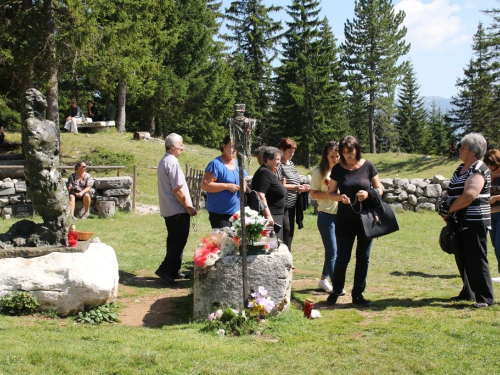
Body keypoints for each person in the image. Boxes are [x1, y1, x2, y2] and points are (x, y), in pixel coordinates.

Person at [438, 133, 494, 308]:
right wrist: (445, 207)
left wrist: (448, 209)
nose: (459, 149)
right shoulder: (461, 168)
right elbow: (451, 190)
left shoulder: (479, 168)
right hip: (459, 221)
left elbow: (470, 195)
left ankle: (485, 298)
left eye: (463, 147)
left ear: (474, 151)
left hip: (474, 220)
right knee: (462, 256)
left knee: (476, 258)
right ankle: (468, 292)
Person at [326, 135, 384, 306]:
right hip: (344, 220)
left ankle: (358, 294)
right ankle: (336, 291)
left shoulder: (368, 166)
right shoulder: (338, 169)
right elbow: (330, 193)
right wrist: (340, 198)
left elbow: (380, 188)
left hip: (366, 219)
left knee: (363, 257)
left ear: (357, 149)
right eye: (343, 152)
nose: (346, 155)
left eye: (349, 152)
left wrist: (368, 194)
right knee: (343, 257)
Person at [156, 133, 198, 285]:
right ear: (172, 146)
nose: (182, 147)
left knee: (173, 240)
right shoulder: (172, 163)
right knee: (178, 241)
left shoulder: (163, 161)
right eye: (181, 144)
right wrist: (189, 207)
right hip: (177, 209)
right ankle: (165, 270)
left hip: (169, 209)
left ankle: (174, 270)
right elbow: (177, 190)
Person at [310, 141, 344, 295]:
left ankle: (324, 279)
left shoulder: (343, 170)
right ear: (326, 156)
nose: (335, 159)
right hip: (326, 216)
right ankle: (337, 284)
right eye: (332, 156)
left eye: (338, 156)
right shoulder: (319, 172)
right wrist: (330, 195)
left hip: (342, 216)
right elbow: (313, 193)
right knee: (332, 250)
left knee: (336, 251)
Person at [201, 135, 246, 229]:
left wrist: (242, 187)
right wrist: (227, 186)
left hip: (237, 213)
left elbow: (244, 183)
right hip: (219, 214)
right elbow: (205, 185)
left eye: (236, 147)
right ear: (224, 146)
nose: (234, 150)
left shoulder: (239, 164)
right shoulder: (216, 164)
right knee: (224, 242)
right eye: (232, 146)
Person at [277, 138, 310, 251]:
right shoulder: (278, 164)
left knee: (290, 232)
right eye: (289, 152)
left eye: (293, 152)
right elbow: (278, 184)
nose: (292, 154)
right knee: (285, 230)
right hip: (283, 205)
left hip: (293, 204)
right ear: (282, 150)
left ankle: (288, 256)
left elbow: (295, 180)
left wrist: (302, 186)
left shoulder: (291, 163)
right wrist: (295, 187)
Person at [251, 147, 287, 241]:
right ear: (268, 159)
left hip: (276, 215)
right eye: (278, 159)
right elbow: (260, 194)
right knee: (271, 245)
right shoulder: (264, 173)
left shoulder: (269, 172)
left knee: (276, 244)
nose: (279, 162)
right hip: (271, 216)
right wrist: (268, 216)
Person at [483, 149, 500, 283]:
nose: (490, 167)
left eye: (492, 164)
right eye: (488, 164)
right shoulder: (487, 174)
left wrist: (497, 197)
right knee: (495, 243)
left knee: (499, 244)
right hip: (491, 214)